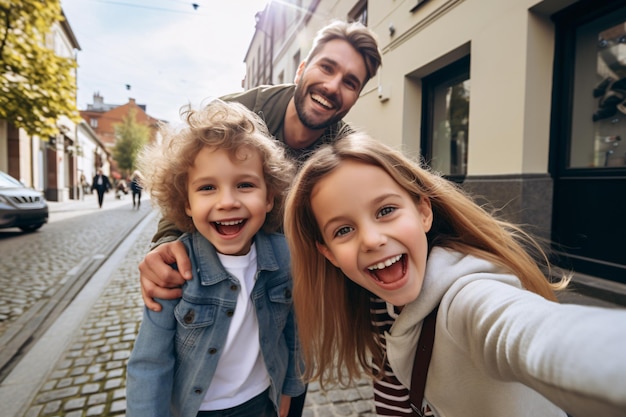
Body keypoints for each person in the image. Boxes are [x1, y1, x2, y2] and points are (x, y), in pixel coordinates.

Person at [282, 132, 626, 417]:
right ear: (327, 253)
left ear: (423, 211)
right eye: (343, 230)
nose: (372, 240)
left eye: (386, 210)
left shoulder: (468, 297)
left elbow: (530, 332)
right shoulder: (377, 301)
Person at [136, 20, 382, 417]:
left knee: (287, 369)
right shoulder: (236, 115)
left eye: (351, 82)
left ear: (356, 96)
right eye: (327, 67)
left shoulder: (343, 147)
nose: (334, 86)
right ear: (302, 68)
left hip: (288, 285)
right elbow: (187, 181)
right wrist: (165, 246)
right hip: (218, 278)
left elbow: (379, 195)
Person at [126, 100, 303, 417]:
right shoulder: (176, 270)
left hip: (262, 401)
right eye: (207, 187)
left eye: (245, 185)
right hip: (196, 409)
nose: (227, 202)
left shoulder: (286, 256)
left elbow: (294, 333)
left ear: (269, 197)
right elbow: (149, 364)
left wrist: (290, 390)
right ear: (187, 204)